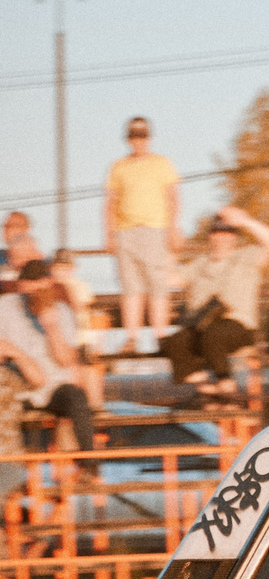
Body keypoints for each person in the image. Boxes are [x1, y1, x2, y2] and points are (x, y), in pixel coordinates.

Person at [161, 207, 269, 399]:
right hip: (202, 326)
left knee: (214, 334)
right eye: (216, 232)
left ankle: (225, 381)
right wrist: (172, 250)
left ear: (235, 237)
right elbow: (169, 280)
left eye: (228, 232)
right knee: (176, 340)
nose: (222, 237)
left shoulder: (245, 257)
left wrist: (245, 221)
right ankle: (202, 382)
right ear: (210, 236)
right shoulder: (200, 264)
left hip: (239, 326)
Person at [0, 264, 97, 450]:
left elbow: (66, 360)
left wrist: (52, 328)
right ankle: (10, 462)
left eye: (40, 285)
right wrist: (15, 355)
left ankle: (89, 461)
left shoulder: (62, 311)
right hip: (19, 384)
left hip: (54, 385)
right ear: (21, 285)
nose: (34, 292)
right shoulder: (6, 307)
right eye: (29, 285)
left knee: (76, 398)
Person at [103, 117, 182, 335]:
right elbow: (110, 202)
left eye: (142, 136)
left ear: (149, 138)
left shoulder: (162, 163)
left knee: (158, 285)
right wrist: (109, 234)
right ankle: (132, 337)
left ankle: (160, 335)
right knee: (130, 287)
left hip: (156, 229)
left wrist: (173, 229)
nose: (138, 141)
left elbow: (173, 198)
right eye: (134, 136)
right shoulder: (118, 167)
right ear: (128, 139)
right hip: (125, 231)